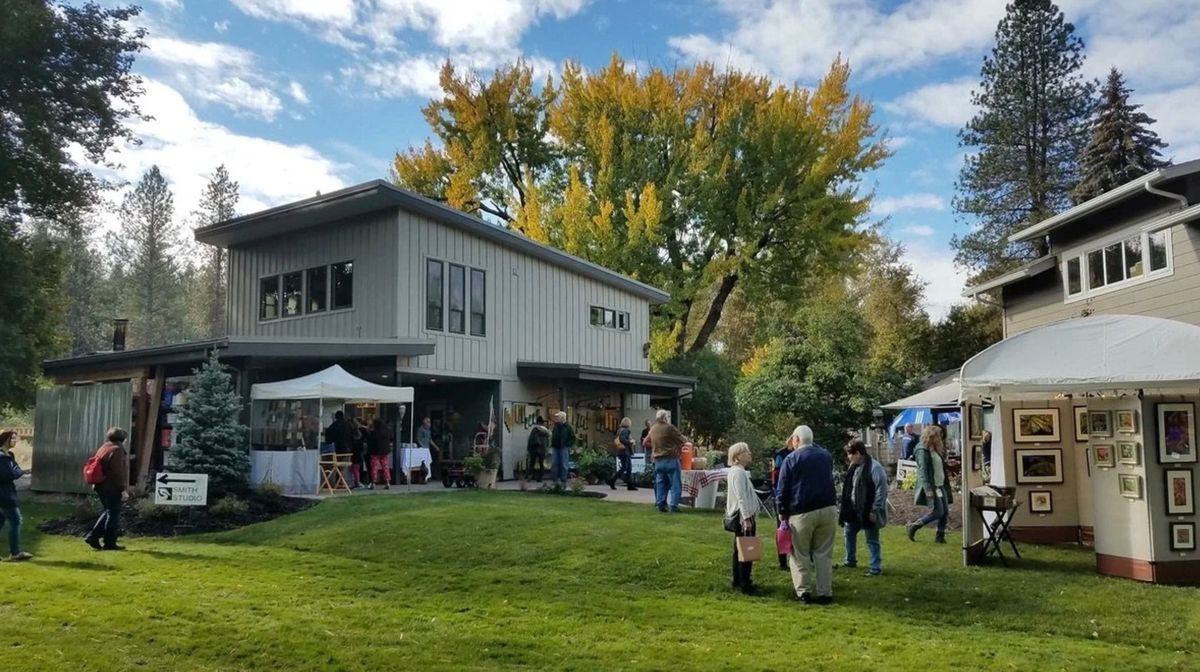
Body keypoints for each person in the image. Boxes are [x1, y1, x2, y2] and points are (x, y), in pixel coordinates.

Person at [776, 425, 837, 605]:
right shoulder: (826, 457)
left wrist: (781, 511)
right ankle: (825, 592)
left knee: (799, 553)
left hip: (801, 510)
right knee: (823, 553)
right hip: (827, 508)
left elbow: (783, 487)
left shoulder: (791, 459)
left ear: (796, 440)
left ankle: (803, 592)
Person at [839, 439, 888, 576]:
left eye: (851, 454)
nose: (849, 457)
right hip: (854, 508)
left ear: (859, 453)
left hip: (868, 509)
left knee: (872, 538)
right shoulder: (853, 467)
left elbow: (881, 491)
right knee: (848, 532)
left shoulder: (875, 468)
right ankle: (850, 560)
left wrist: (874, 510)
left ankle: (875, 567)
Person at [85, 427, 131, 551]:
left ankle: (93, 537)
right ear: (122, 438)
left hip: (100, 485)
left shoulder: (104, 447)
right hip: (111, 486)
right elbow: (117, 472)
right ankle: (109, 542)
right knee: (113, 514)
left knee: (108, 511)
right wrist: (122, 489)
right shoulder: (117, 450)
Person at [725, 442, 760, 594]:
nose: (750, 454)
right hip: (743, 517)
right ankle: (745, 583)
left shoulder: (738, 471)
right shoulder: (738, 473)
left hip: (743, 516)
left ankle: (738, 580)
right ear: (738, 456)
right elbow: (741, 497)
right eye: (746, 451)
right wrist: (746, 518)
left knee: (739, 548)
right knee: (746, 548)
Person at [907, 425, 952, 543]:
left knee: (945, 511)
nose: (940, 437)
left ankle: (940, 536)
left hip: (940, 485)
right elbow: (923, 471)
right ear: (932, 436)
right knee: (938, 511)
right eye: (939, 435)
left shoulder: (935, 449)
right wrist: (927, 488)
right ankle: (914, 525)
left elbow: (937, 466)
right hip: (933, 485)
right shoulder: (922, 450)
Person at [0, 431, 31, 561]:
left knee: (0, 521)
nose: (15, 441)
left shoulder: (9, 455)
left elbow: (17, 469)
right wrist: (17, 472)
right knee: (16, 520)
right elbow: (8, 474)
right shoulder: (2, 457)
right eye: (13, 438)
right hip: (4, 493)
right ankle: (15, 552)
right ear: (7, 440)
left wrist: (17, 471)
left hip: (7, 491)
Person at [648, 409, 687, 513]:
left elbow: (646, 441)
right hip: (671, 459)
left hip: (658, 461)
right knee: (675, 484)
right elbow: (682, 440)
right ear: (665, 418)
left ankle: (661, 504)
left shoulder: (653, 429)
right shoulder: (669, 428)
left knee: (660, 483)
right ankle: (673, 506)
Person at [772, 436, 797, 570]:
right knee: (782, 529)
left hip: (796, 496)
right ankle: (782, 562)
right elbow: (777, 476)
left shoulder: (799, 454)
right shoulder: (780, 455)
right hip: (782, 495)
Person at [325, 411, 356, 487]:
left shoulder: (334, 425)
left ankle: (338, 481)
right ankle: (341, 481)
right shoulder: (349, 425)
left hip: (337, 448)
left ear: (336, 417)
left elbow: (328, 436)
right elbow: (353, 436)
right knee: (342, 466)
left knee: (337, 466)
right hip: (347, 448)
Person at [608, 417, 637, 491]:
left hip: (621, 451)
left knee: (628, 468)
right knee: (625, 468)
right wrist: (630, 442)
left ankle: (630, 485)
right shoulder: (626, 431)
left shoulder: (619, 430)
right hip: (625, 451)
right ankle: (612, 480)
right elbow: (623, 439)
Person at [550, 412, 575, 485]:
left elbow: (572, 437)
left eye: (558, 417)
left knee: (564, 464)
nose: (557, 418)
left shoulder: (568, 427)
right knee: (554, 463)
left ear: (562, 418)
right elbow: (553, 435)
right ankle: (555, 479)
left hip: (564, 447)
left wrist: (568, 445)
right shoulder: (556, 426)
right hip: (555, 447)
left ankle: (563, 479)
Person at [367, 419, 393, 490]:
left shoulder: (374, 432)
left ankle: (373, 482)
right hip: (385, 451)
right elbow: (391, 439)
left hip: (375, 452)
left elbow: (369, 441)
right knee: (385, 467)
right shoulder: (387, 431)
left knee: (374, 467)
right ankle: (387, 482)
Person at [526, 416, 550, 482]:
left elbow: (531, 439)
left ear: (537, 422)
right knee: (541, 464)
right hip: (542, 449)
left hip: (534, 448)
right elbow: (548, 441)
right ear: (542, 423)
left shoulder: (535, 429)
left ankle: (530, 476)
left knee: (532, 463)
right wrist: (546, 449)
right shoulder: (546, 431)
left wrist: (528, 448)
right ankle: (540, 478)